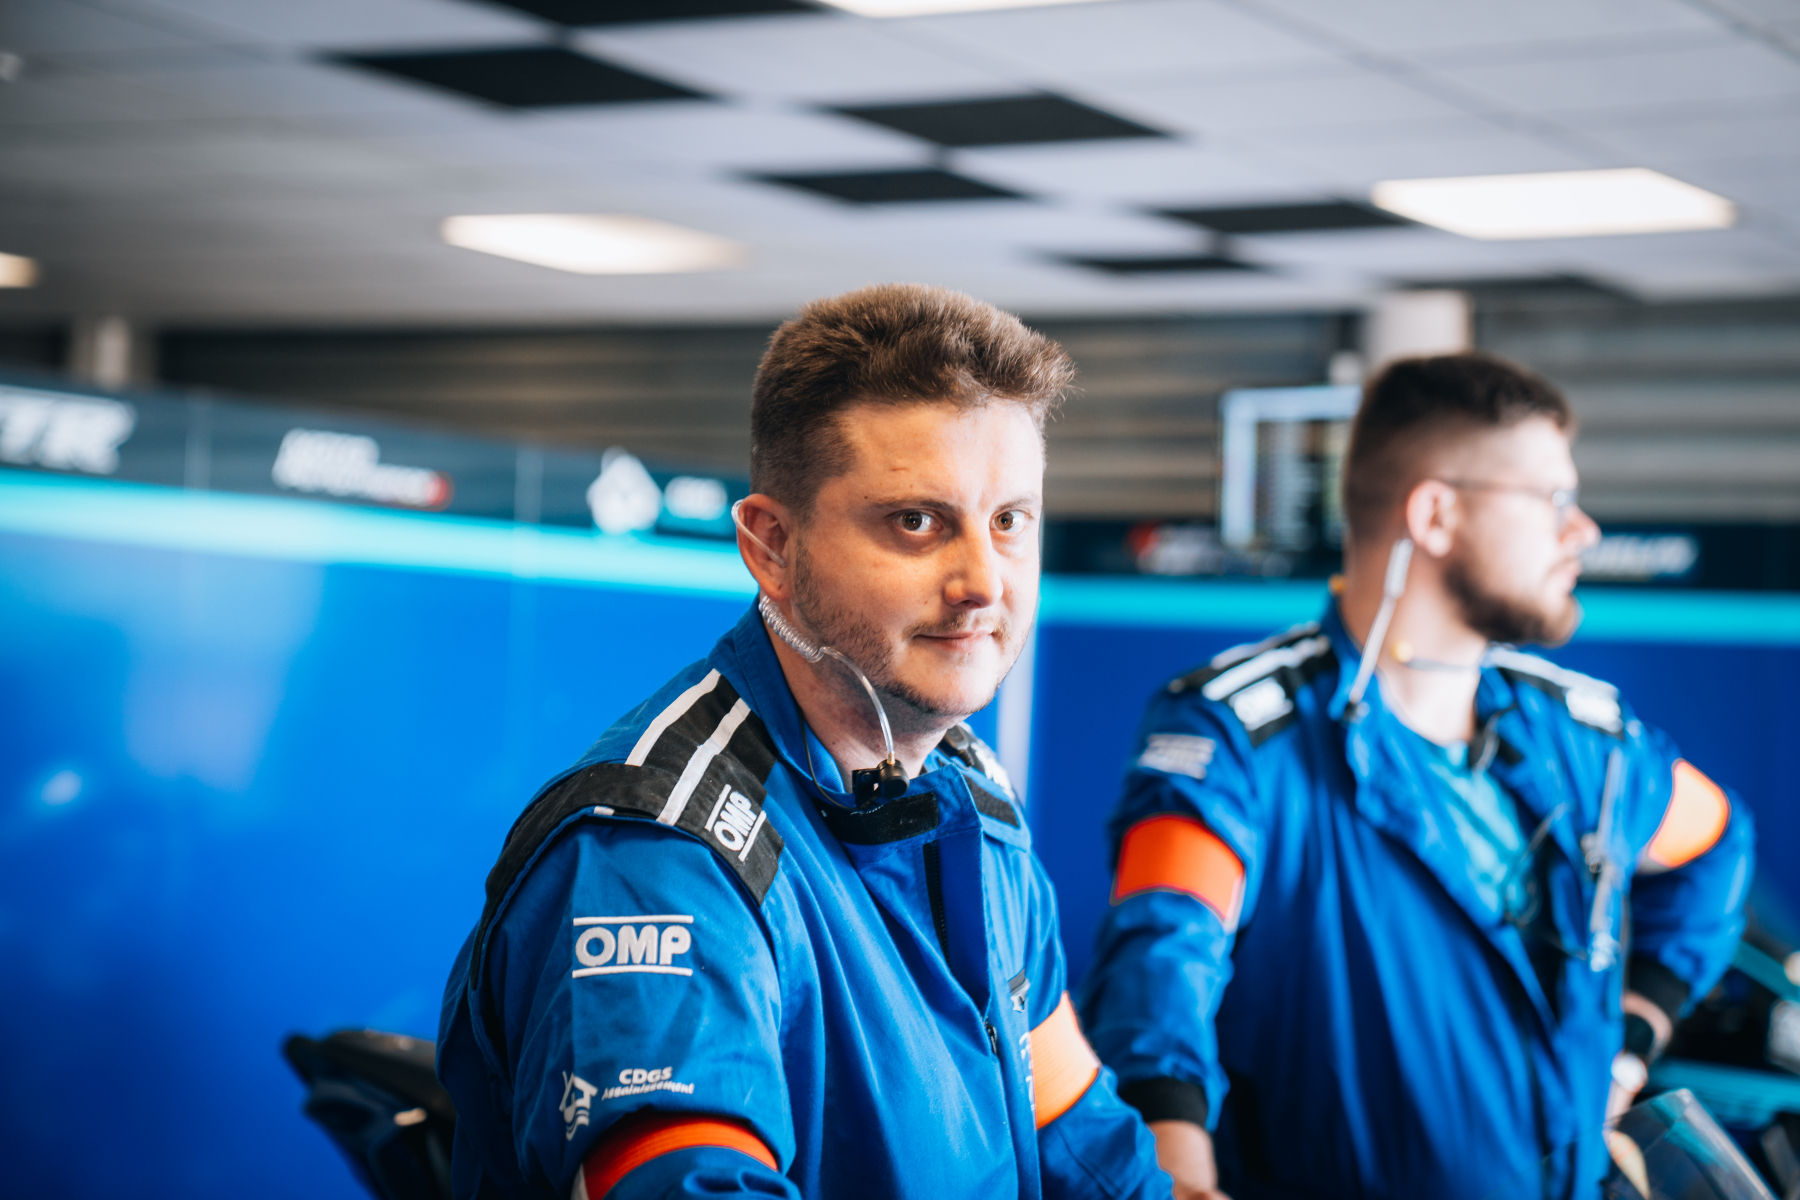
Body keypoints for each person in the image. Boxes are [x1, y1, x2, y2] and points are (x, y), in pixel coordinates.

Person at [437, 284, 1172, 1200]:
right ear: (772, 547)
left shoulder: (972, 792)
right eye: (917, 522)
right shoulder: (659, 853)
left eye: (1008, 521)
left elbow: (1078, 1137)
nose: (983, 581)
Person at [1077, 352, 1754, 1200]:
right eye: (1552, 500)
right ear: (1436, 514)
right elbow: (1157, 977)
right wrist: (1177, 1170)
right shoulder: (1237, 736)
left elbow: (1718, 847)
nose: (1582, 531)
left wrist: (1637, 1031)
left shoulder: (1588, 741)